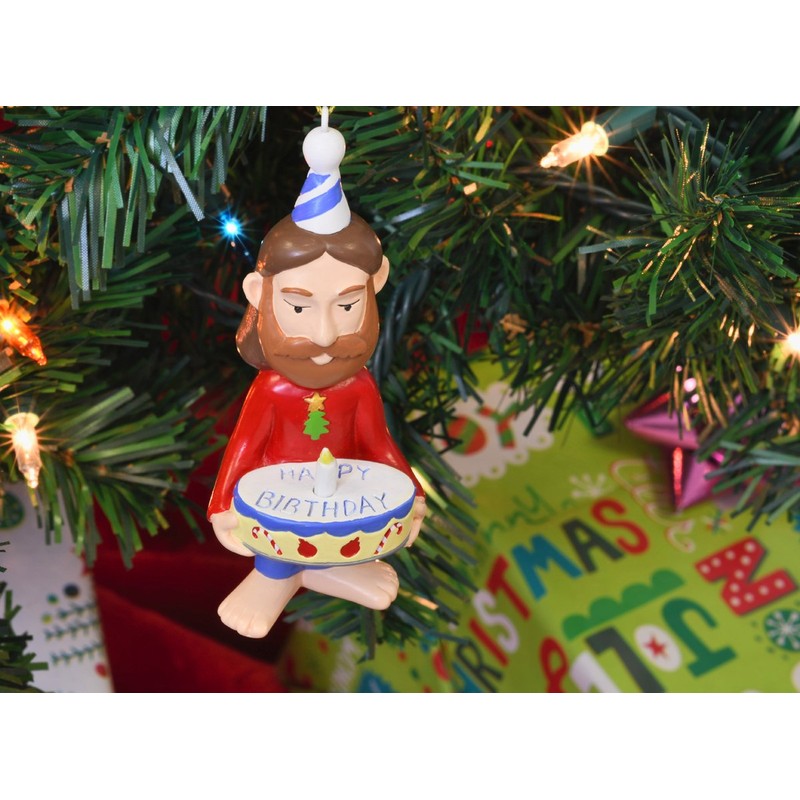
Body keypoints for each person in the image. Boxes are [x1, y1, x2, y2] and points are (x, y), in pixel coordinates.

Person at [207, 120, 426, 638]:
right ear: (259, 294)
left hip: (345, 497)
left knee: (344, 532)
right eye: (300, 307)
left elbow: (377, 443)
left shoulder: (358, 386)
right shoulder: (272, 388)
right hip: (276, 501)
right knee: (280, 541)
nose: (325, 335)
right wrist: (222, 507)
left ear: (375, 285)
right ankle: (274, 578)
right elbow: (243, 447)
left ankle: (327, 571)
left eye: (347, 306)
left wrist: (412, 494)